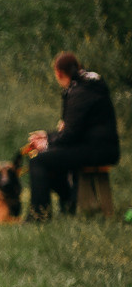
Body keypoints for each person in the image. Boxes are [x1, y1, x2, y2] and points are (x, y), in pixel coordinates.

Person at [25, 51, 121, 221]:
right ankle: (69, 200)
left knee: (38, 160)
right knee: (49, 158)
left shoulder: (78, 92)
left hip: (97, 150)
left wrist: (47, 143)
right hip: (100, 147)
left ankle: (39, 215)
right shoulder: (88, 84)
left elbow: (70, 135)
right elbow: (75, 130)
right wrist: (47, 136)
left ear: (58, 73)